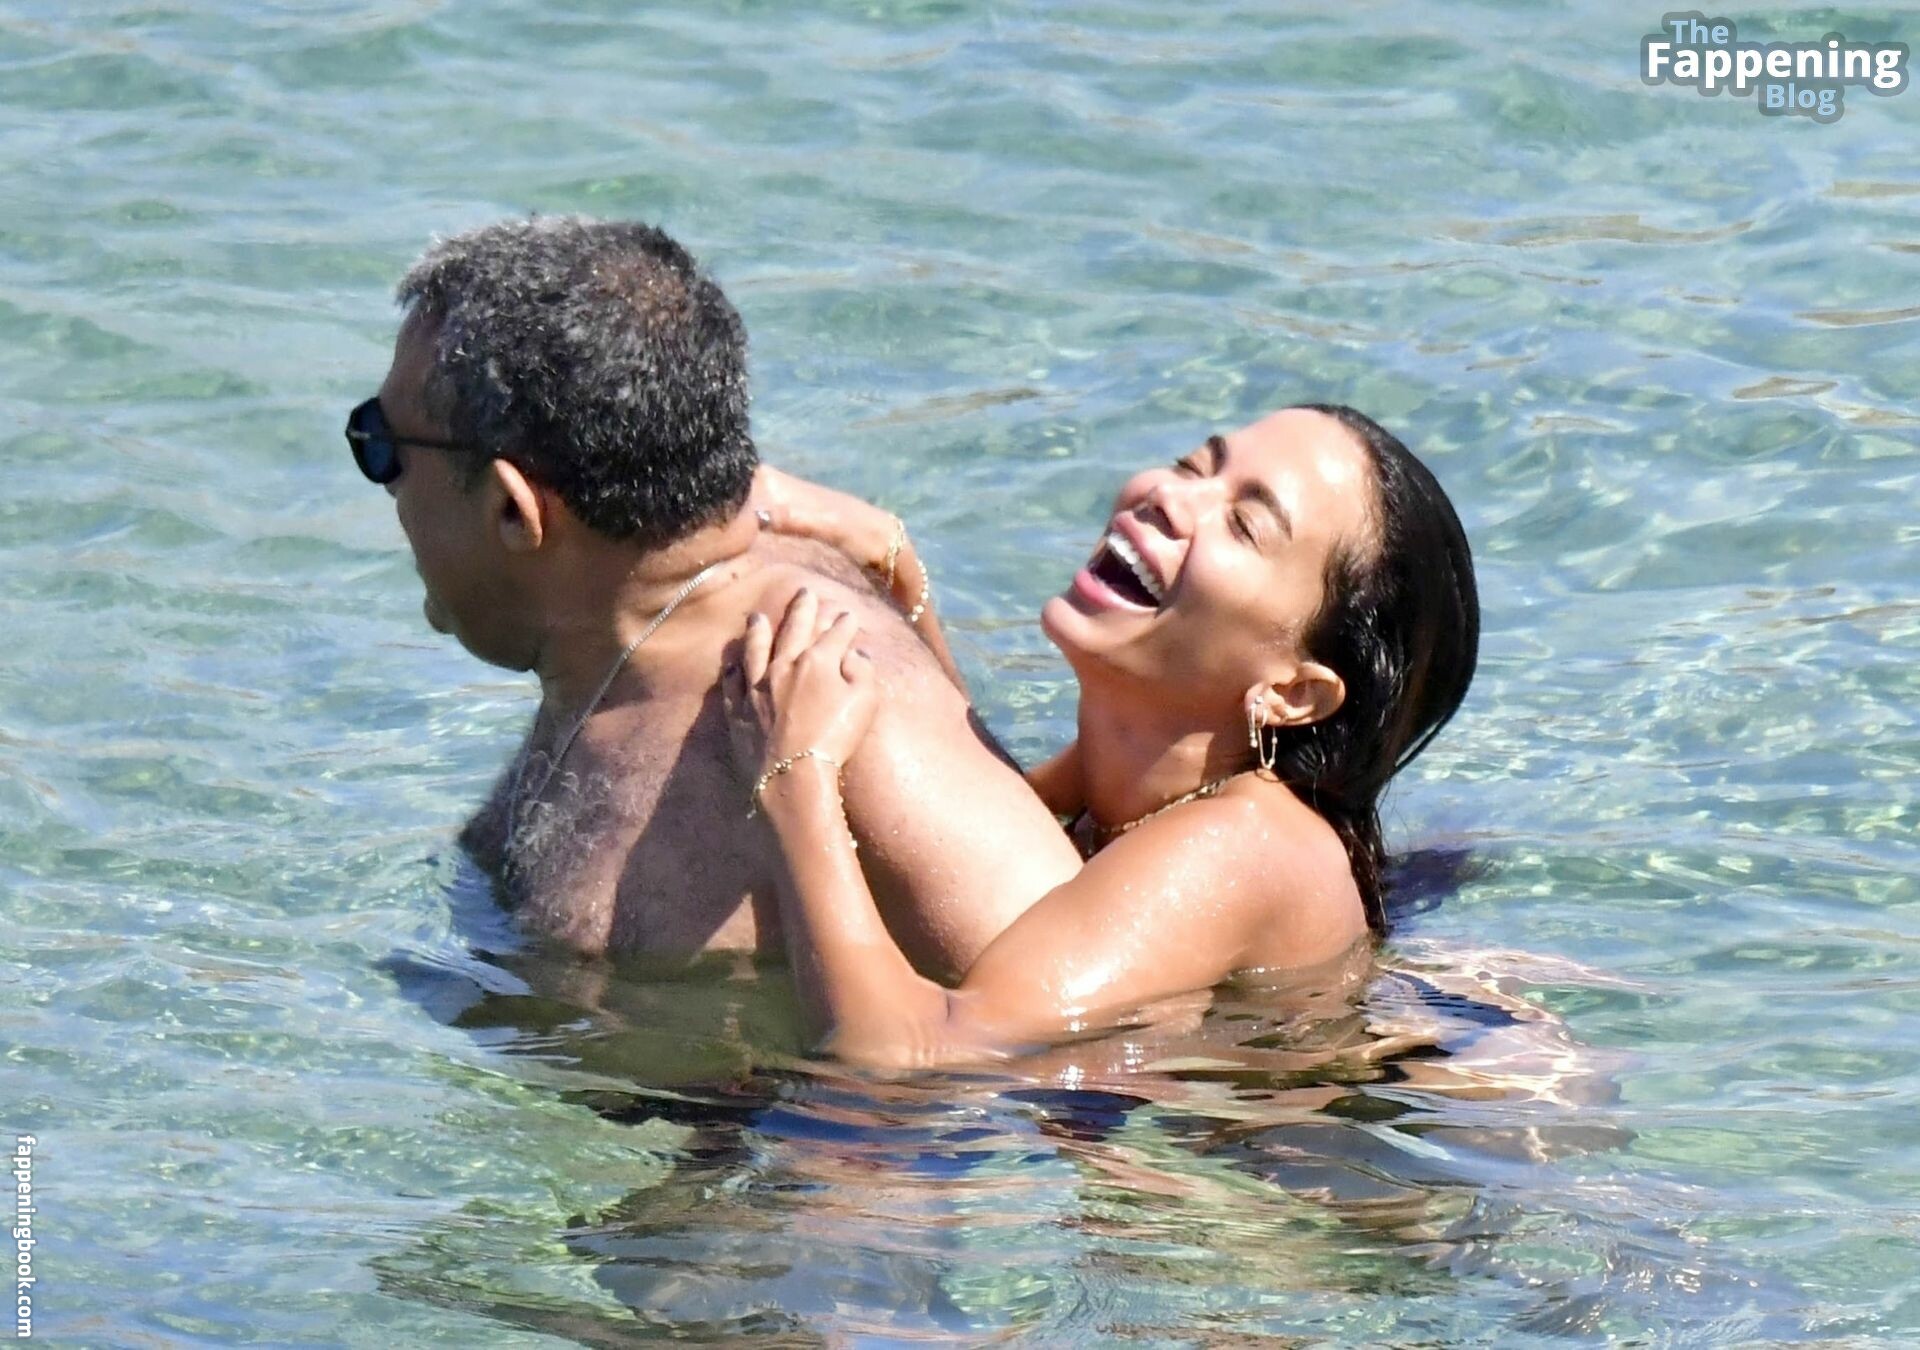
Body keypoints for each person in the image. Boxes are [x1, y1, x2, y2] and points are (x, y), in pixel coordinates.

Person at [349, 216, 1080, 979]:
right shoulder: (620, 631)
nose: (385, 483)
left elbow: (1077, 1020)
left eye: (383, 446)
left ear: (514, 509)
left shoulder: (824, 686)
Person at [726, 405, 1480, 1067]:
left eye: (1244, 524)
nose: (1169, 497)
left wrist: (796, 776)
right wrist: (898, 567)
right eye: (1193, 466)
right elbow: (973, 817)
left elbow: (910, 1054)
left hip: (1305, 1165)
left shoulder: (1242, 843)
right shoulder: (1125, 780)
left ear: (1292, 694)